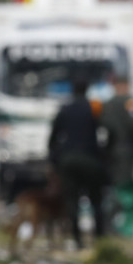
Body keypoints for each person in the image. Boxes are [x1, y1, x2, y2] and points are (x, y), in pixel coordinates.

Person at [47, 78, 106, 248]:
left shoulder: (65, 109)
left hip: (68, 161)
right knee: (96, 200)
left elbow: (53, 138)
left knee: (72, 201)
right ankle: (100, 238)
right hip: (90, 160)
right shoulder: (94, 109)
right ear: (87, 90)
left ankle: (77, 239)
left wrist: (54, 160)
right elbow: (105, 131)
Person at [99, 77, 133, 233]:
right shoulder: (130, 103)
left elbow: (103, 128)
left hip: (110, 152)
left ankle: (108, 222)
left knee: (113, 187)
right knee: (125, 187)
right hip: (127, 151)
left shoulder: (107, 104)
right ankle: (123, 224)